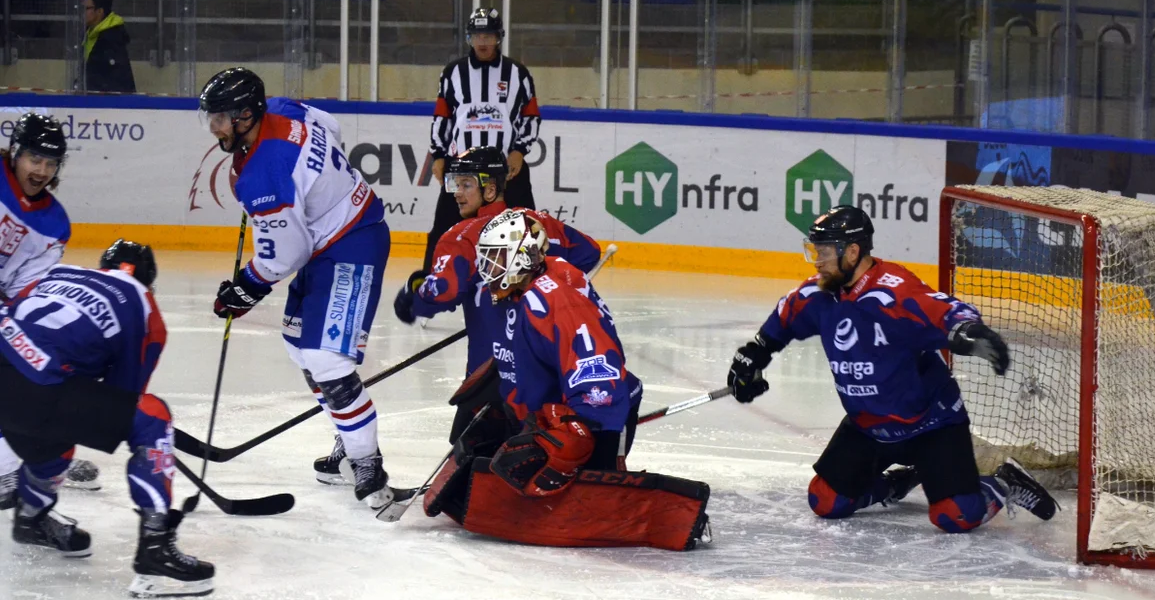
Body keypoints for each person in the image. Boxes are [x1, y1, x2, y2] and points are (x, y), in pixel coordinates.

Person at [726, 206, 1058, 534]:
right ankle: (896, 485)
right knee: (825, 501)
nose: (817, 260)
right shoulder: (819, 294)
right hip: (869, 427)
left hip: (931, 424)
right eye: (815, 250)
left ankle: (1004, 482)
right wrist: (753, 356)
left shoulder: (893, 290)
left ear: (853, 252)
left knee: (955, 516)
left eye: (825, 252)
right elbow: (784, 319)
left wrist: (967, 332)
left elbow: (943, 310)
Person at [416, 211, 710, 552]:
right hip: (545, 409)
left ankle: (606, 479)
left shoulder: (558, 303)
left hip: (593, 417)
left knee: (574, 474)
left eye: (496, 258)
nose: (487, 269)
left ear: (523, 256)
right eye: (485, 258)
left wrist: (575, 437)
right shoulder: (524, 286)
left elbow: (600, 378)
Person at [198, 67, 397, 510]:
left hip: (353, 240)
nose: (214, 128)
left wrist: (245, 289)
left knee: (327, 358)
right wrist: (320, 189)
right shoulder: (283, 109)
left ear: (247, 116)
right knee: (298, 345)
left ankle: (367, 461)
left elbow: (284, 253)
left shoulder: (263, 176)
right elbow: (332, 127)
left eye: (221, 118)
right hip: (328, 238)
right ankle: (350, 435)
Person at [0, 240, 215, 598]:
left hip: (12, 376)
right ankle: (155, 551)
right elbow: (124, 396)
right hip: (33, 388)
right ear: (149, 281)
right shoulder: (144, 307)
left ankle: (31, 522)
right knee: (152, 417)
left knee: (54, 435)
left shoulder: (57, 273)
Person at [390, 146, 600, 456]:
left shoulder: (462, 237)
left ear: (490, 188)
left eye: (466, 184)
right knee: (540, 453)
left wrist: (412, 294)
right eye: (454, 184)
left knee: (474, 466)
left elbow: (442, 292)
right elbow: (588, 252)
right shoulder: (537, 222)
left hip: (491, 379)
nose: (457, 193)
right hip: (547, 371)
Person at [0, 113, 100, 512]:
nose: (41, 171)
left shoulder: (55, 224)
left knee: (36, 365)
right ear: (16, 154)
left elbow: (25, 292)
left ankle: (40, 449)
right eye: (34, 159)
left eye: (51, 162)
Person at [422, 7, 541, 282]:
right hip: (462, 165)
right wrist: (439, 155)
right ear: (469, 38)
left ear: (499, 37)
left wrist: (520, 150)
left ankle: (536, 278)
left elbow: (531, 116)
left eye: (488, 35)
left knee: (526, 224)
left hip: (506, 166)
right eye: (477, 35)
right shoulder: (453, 73)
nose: (483, 41)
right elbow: (442, 116)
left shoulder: (518, 73)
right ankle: (430, 282)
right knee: (443, 226)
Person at [82, 0, 136, 93]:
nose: (82, 13)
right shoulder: (89, 34)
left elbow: (116, 78)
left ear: (99, 11)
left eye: (87, 8)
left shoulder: (112, 37)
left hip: (109, 102)